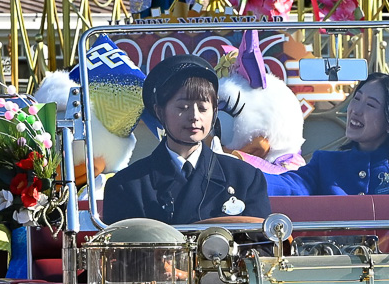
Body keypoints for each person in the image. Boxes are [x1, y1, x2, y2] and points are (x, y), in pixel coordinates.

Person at [100, 56, 271, 225]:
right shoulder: (127, 185)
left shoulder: (246, 178)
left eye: (203, 108)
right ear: (159, 111)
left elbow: (262, 246)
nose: (195, 117)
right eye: (183, 108)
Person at [264, 73, 389, 197]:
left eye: (370, 105)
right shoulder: (325, 163)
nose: (355, 110)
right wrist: (244, 177)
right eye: (356, 99)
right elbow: (290, 187)